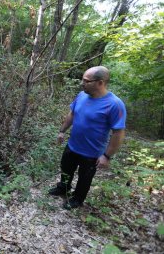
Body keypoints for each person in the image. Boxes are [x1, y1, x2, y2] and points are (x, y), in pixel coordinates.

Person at [48, 66, 126, 209]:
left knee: (84, 179)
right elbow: (72, 114)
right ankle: (63, 188)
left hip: (92, 153)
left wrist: (107, 156)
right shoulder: (82, 95)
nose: (82, 83)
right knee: (66, 169)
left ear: (100, 82)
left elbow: (118, 133)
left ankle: (77, 199)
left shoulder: (115, 104)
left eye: (86, 81)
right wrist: (62, 131)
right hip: (72, 145)